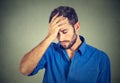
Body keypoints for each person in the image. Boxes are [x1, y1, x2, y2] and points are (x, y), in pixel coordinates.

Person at [19, 6, 111, 83]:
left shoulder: (100, 58)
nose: (61, 38)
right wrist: (49, 36)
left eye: (64, 31)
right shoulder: (49, 50)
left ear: (77, 27)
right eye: (56, 34)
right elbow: (24, 69)